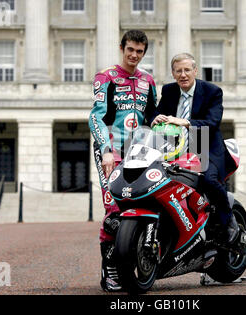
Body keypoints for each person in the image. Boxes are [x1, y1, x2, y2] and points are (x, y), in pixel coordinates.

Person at [89, 30, 157, 292]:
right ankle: (111, 271)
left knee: (140, 204)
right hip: (110, 150)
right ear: (122, 48)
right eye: (130, 49)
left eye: (139, 51)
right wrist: (105, 149)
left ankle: (141, 260)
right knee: (114, 211)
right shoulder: (105, 76)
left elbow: (153, 116)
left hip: (139, 152)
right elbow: (96, 116)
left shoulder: (148, 80)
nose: (134, 55)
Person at [149, 53, 239, 245]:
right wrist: (154, 119)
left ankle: (228, 220)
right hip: (175, 149)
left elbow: (213, 123)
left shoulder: (212, 91)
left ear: (195, 71)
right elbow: (158, 112)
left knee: (209, 180)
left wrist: (185, 122)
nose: (183, 74)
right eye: (178, 71)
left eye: (187, 70)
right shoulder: (169, 90)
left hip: (207, 147)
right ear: (173, 73)